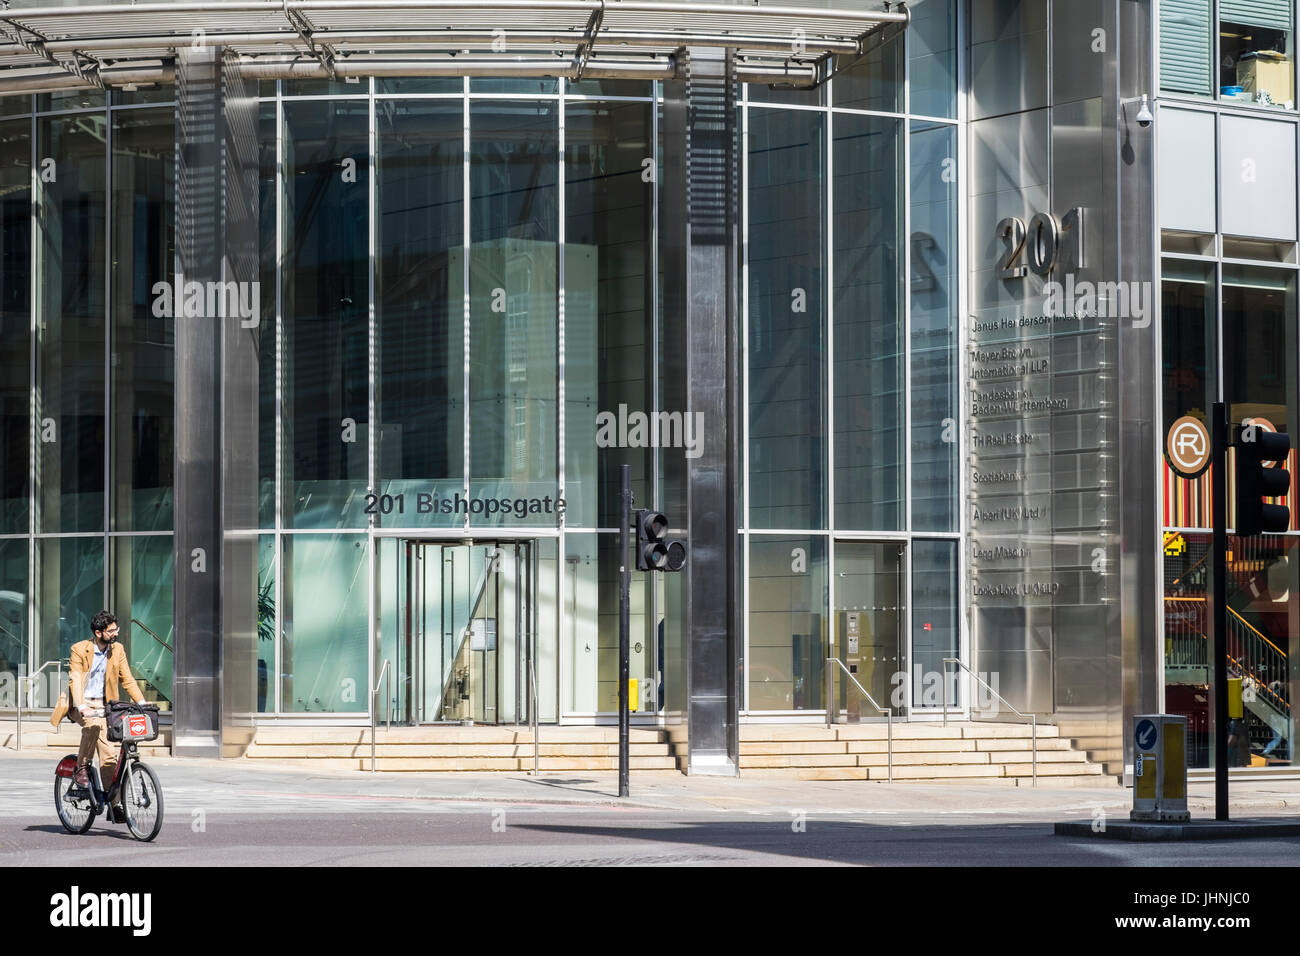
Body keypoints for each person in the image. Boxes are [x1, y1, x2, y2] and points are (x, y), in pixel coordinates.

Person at [49, 611, 147, 797]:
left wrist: (142, 701)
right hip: (81, 703)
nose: (116, 633)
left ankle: (115, 802)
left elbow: (127, 679)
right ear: (98, 632)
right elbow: (75, 680)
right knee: (93, 725)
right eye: (111, 631)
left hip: (105, 704)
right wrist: (81, 706)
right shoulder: (79, 649)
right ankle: (81, 768)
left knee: (109, 754)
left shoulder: (117, 649)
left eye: (116, 629)